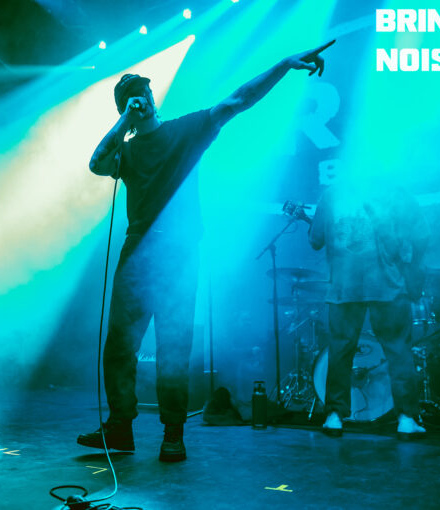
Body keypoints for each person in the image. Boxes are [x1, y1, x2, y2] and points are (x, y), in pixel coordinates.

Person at [77, 40, 335, 461]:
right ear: (126, 106)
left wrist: (283, 64)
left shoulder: (185, 130)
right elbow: (96, 163)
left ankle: (173, 433)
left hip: (178, 256)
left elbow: (237, 101)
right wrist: (124, 120)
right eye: (132, 96)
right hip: (137, 254)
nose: (142, 98)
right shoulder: (127, 149)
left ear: (153, 96)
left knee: (174, 345)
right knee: (119, 345)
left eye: (144, 91)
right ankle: (120, 427)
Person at [308, 176, 428, 438]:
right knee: (398, 350)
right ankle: (406, 419)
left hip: (344, 287)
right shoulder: (395, 189)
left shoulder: (332, 193)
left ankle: (334, 416)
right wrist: (412, 268)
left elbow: (315, 239)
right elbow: (421, 235)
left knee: (340, 350)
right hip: (388, 286)